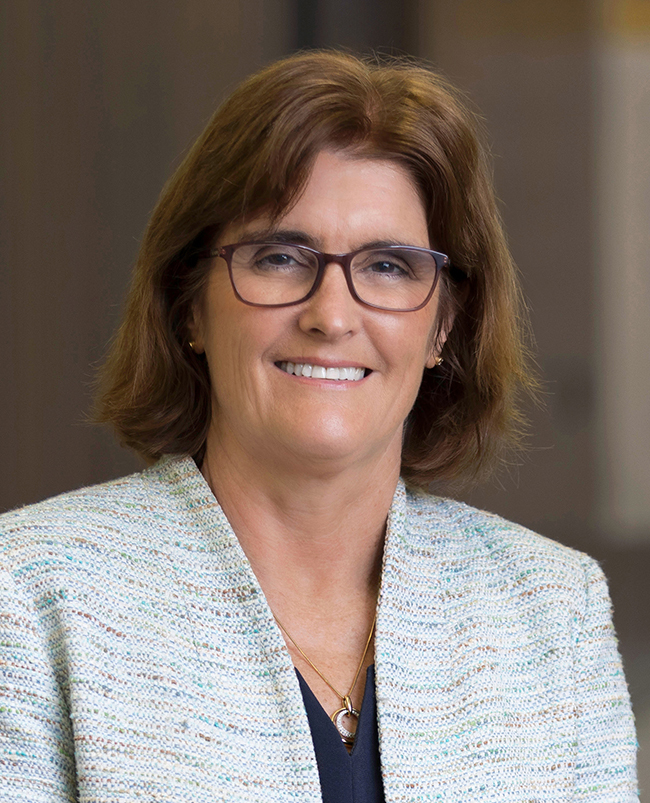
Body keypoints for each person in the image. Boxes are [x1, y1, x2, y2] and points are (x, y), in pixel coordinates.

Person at [0, 51, 637, 802]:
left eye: (390, 266)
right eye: (279, 256)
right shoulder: (30, 597)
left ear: (443, 328)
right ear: (190, 307)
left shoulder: (553, 610)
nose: (332, 315)